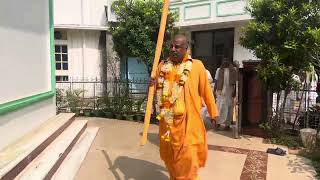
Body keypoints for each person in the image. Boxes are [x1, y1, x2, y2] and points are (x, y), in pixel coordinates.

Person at [152, 34, 218, 180]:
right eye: (171, 46)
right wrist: (152, 85)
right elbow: (155, 91)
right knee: (171, 159)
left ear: (186, 48)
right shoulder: (162, 66)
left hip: (189, 123)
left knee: (189, 159)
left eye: (177, 47)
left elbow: (206, 91)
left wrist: (213, 113)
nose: (173, 49)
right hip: (167, 122)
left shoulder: (197, 66)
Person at [214, 58, 236, 130]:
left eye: (227, 60)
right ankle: (218, 123)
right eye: (224, 60)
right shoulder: (218, 70)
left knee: (229, 108)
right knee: (219, 108)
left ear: (229, 61)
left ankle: (227, 125)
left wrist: (234, 92)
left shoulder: (233, 70)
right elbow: (216, 81)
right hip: (220, 92)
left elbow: (236, 83)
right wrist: (214, 91)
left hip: (229, 92)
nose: (225, 62)